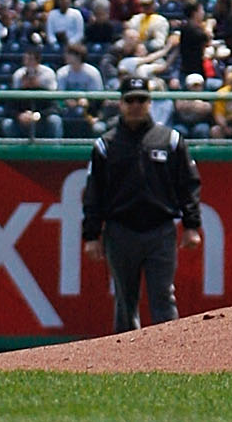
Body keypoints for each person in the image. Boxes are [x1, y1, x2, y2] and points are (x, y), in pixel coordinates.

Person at [81, 77, 202, 332]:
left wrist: (192, 225)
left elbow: (188, 185)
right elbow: (94, 193)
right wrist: (91, 234)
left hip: (160, 229)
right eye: (130, 100)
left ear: (150, 102)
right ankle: (126, 364)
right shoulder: (106, 145)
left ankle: (168, 359)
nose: (136, 105)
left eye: (142, 100)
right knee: (125, 301)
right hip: (120, 230)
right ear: (120, 103)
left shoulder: (169, 140)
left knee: (163, 297)